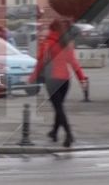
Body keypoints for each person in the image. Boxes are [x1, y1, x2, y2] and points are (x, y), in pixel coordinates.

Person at [29, 18, 88, 148]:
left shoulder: (48, 43)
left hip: (52, 80)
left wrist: (32, 78)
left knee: (59, 108)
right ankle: (54, 132)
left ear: (52, 29)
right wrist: (82, 78)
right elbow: (74, 63)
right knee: (59, 107)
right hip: (66, 81)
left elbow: (41, 62)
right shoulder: (66, 43)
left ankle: (69, 135)